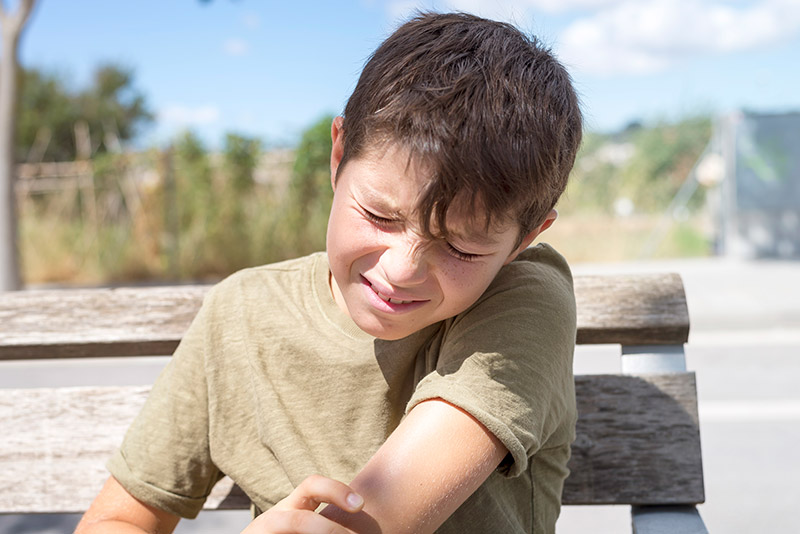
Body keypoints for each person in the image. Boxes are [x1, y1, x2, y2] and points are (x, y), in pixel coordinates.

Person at [75, 11, 582, 534]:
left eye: (461, 248)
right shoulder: (241, 315)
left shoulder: (527, 297)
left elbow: (372, 519)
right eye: (380, 216)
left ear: (525, 239)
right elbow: (115, 521)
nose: (401, 270)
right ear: (338, 155)